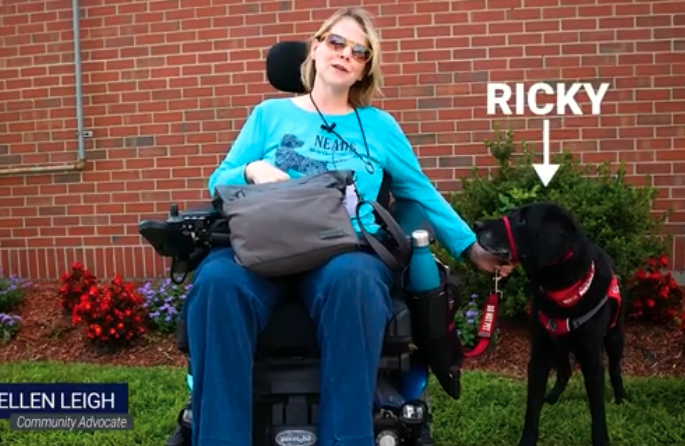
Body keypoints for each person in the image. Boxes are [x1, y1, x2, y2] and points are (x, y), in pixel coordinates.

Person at [184, 6, 513, 446]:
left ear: (363, 70)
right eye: (336, 43)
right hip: (262, 247)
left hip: (344, 250)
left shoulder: (379, 127)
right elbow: (217, 182)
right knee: (217, 283)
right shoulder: (269, 115)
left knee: (354, 281)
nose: (345, 55)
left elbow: (420, 192)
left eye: (359, 52)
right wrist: (252, 170)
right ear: (316, 48)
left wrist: (471, 248)